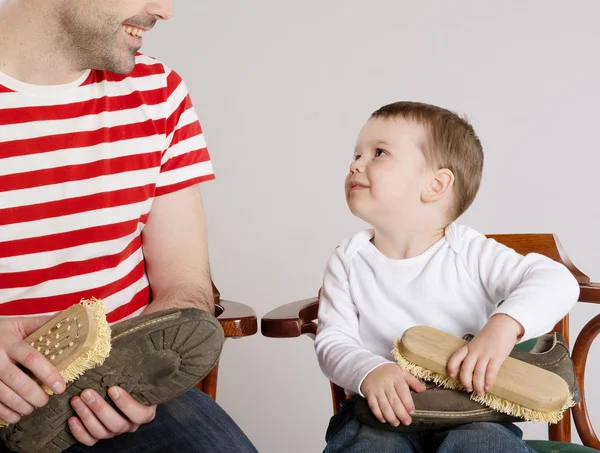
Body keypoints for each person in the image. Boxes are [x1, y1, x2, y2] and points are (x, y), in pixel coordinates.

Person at [0, 1, 257, 451]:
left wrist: (136, 381)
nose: (164, 9)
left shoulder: (158, 91)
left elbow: (185, 285)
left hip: (115, 394)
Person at [315, 101, 580, 452]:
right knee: (370, 445)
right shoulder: (348, 261)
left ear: (436, 185)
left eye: (378, 153)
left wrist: (503, 326)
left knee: (484, 444)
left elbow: (557, 280)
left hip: (470, 410)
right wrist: (368, 372)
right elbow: (333, 341)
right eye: (356, 154)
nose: (355, 164)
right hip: (382, 413)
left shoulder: (470, 252)